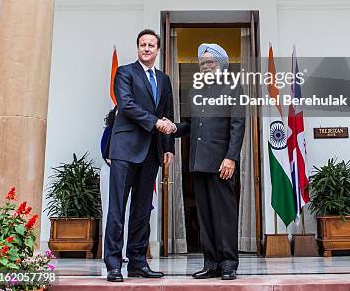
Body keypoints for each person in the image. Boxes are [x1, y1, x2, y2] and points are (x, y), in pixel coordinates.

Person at [104, 29, 176, 282]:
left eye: (151, 45)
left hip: (151, 153)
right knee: (117, 209)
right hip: (124, 150)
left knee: (142, 210)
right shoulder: (125, 72)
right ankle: (113, 264)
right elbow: (126, 105)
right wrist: (156, 123)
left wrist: (168, 147)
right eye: (142, 44)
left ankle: (137, 262)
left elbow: (167, 112)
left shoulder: (164, 79)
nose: (146, 48)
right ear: (137, 48)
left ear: (158, 50)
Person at [173, 43, 245, 281]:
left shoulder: (233, 87)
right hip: (198, 161)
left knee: (224, 215)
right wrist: (173, 128)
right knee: (205, 216)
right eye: (203, 63)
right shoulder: (195, 91)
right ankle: (211, 263)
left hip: (221, 162)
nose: (205, 67)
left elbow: (237, 126)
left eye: (210, 62)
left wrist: (231, 158)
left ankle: (228, 264)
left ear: (221, 64)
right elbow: (192, 126)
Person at [99, 107, 129, 261]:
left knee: (126, 212)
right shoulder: (109, 131)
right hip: (110, 172)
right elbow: (105, 152)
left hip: (126, 173)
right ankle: (109, 251)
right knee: (111, 211)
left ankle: (124, 252)